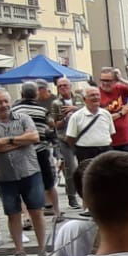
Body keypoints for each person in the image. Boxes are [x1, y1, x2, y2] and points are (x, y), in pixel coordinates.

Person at [0, 89, 47, 256]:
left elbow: (34, 137)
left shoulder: (23, 118)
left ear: (10, 101)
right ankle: (19, 251)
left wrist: (6, 140)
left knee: (36, 211)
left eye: (5, 101)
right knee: (13, 214)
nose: (4, 105)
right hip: (4, 176)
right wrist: (20, 141)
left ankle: (43, 249)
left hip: (29, 171)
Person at [12, 82, 61, 220]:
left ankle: (26, 216)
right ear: (36, 94)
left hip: (22, 151)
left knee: (23, 184)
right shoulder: (42, 110)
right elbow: (51, 125)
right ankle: (56, 212)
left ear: (21, 93)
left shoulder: (14, 110)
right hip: (41, 149)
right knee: (49, 183)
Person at [96, 67, 128, 153]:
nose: (104, 83)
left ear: (115, 81)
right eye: (102, 80)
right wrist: (121, 113)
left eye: (108, 81)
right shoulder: (96, 94)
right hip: (107, 140)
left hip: (124, 138)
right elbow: (101, 118)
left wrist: (121, 79)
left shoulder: (120, 89)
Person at [49, 77, 81, 208]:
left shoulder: (79, 98)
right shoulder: (56, 103)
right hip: (65, 138)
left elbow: (88, 109)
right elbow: (55, 123)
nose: (63, 88)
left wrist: (75, 109)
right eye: (60, 86)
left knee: (85, 167)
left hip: (81, 137)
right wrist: (65, 119)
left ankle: (86, 195)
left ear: (70, 86)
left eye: (65, 85)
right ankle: (72, 197)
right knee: (71, 168)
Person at [64, 87, 116, 167]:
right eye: (92, 95)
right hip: (85, 153)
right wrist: (78, 150)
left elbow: (111, 133)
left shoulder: (106, 114)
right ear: (84, 99)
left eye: (97, 95)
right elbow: (70, 138)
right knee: (87, 177)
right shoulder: (76, 116)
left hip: (106, 151)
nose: (96, 97)